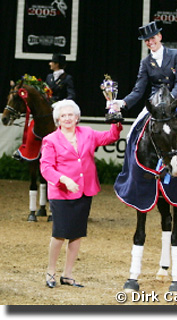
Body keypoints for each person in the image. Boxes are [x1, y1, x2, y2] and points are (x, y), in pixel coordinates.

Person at [40, 99, 122, 288]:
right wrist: (64, 180)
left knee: (77, 234)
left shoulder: (88, 133)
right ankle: (51, 271)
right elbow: (46, 168)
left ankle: (67, 275)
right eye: (63, 116)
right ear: (58, 120)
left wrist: (116, 118)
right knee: (59, 233)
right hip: (61, 193)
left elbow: (111, 137)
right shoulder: (50, 140)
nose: (67, 118)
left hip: (84, 190)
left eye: (71, 115)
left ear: (77, 117)